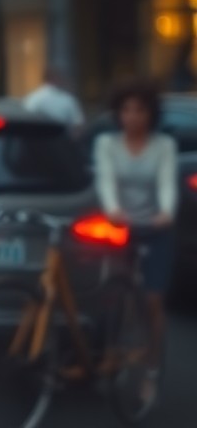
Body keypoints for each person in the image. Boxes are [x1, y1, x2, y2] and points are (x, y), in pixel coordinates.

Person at [92, 80, 176, 393]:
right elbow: (105, 181)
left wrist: (165, 211)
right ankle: (113, 357)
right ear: (118, 114)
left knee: (152, 301)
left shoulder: (163, 145)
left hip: (156, 228)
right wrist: (113, 209)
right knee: (116, 296)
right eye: (126, 109)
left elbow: (167, 183)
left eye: (139, 110)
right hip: (120, 228)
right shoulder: (106, 144)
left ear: (150, 113)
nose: (133, 116)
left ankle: (151, 369)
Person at [24, 66, 85, 134]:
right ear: (56, 78)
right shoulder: (67, 99)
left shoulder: (33, 98)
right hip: (62, 140)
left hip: (37, 139)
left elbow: (26, 120)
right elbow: (77, 124)